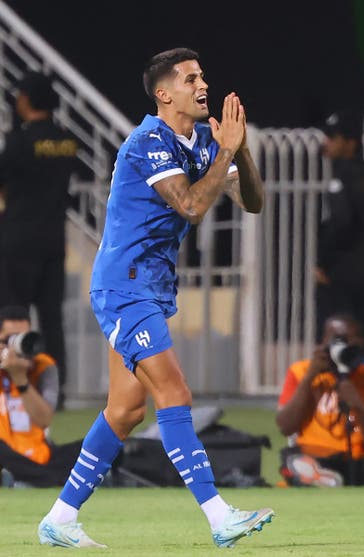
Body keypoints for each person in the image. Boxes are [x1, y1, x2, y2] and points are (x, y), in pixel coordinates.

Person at [37, 47, 274, 549]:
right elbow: (189, 205)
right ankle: (218, 516)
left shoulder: (206, 141)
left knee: (125, 410)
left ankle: (59, 518)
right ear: (165, 94)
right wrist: (226, 152)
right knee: (175, 393)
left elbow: (252, 203)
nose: (201, 84)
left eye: (203, 75)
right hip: (123, 286)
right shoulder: (148, 142)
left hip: (149, 287)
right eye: (190, 78)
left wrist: (241, 149)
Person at [0, 71, 80, 410]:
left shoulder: (19, 142)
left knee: (12, 316)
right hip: (52, 241)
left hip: (17, 240)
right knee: (52, 320)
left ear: (27, 99)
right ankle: (54, 391)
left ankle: (12, 389)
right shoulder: (67, 141)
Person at [276, 313, 364, 487]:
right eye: (340, 339)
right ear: (324, 342)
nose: (348, 345)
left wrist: (357, 403)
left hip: (360, 460)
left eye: (354, 339)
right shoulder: (301, 371)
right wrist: (309, 378)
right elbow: (285, 427)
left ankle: (323, 480)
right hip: (315, 456)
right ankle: (318, 476)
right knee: (293, 460)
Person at [0, 305, 83, 487]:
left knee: (99, 446)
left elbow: (44, 419)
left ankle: (37, 477)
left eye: (23, 338)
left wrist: (20, 379)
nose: (17, 346)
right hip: (4, 451)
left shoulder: (43, 366)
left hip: (39, 453)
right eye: (9, 339)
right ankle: (53, 479)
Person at [315, 108, 364, 361]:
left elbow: (342, 223)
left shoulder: (341, 177)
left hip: (345, 272)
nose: (327, 143)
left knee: (339, 332)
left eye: (334, 137)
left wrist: (322, 262)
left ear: (350, 143)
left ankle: (341, 391)